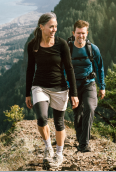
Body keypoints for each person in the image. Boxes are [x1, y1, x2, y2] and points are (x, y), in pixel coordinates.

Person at [25, 12, 79, 167]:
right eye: (51, 26)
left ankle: (59, 154)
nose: (54, 29)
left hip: (60, 88)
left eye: (56, 26)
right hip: (39, 86)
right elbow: (30, 69)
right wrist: (27, 93)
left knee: (59, 123)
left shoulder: (61, 44)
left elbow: (69, 68)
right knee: (42, 118)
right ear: (41, 27)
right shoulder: (33, 45)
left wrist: (74, 93)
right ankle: (48, 147)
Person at [67, 20, 105, 152]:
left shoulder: (93, 49)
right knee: (77, 114)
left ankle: (84, 144)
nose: (81, 36)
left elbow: (99, 68)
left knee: (89, 108)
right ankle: (80, 139)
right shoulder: (68, 49)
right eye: (78, 33)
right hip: (73, 86)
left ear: (86, 33)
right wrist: (68, 87)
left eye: (83, 33)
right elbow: (62, 69)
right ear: (73, 33)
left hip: (89, 84)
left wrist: (102, 86)